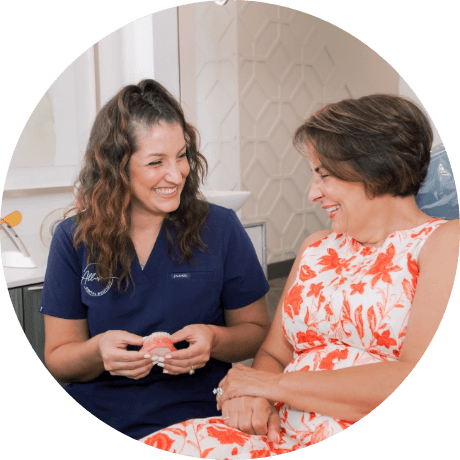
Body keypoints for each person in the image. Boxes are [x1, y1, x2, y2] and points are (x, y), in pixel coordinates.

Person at [139, 94, 459, 457]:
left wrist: (270, 387)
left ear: (375, 168)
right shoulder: (317, 246)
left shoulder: (443, 242)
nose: (312, 193)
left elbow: (413, 381)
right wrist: (255, 396)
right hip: (276, 427)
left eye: (323, 176)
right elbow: (273, 354)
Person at [39, 79, 271, 440]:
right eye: (155, 162)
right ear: (116, 167)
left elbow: (256, 332)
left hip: (200, 410)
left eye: (181, 156)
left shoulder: (221, 227)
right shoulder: (73, 238)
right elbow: (58, 358)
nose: (176, 173)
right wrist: (98, 352)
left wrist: (213, 338)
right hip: (101, 413)